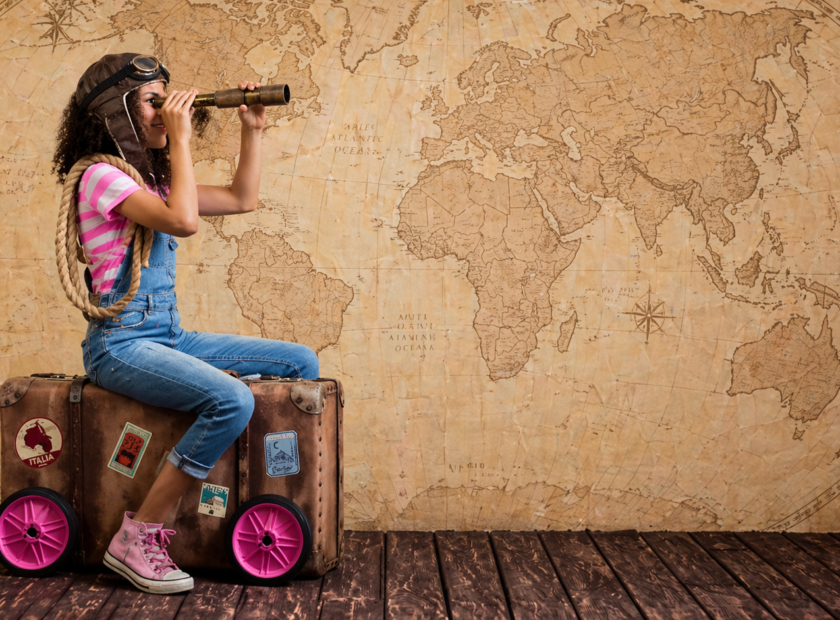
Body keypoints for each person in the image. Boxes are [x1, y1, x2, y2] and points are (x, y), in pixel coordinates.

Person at [52, 53, 319, 595]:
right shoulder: (103, 178)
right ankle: (138, 536)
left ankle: (258, 498)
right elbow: (185, 221)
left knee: (300, 363)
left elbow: (244, 199)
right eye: (152, 101)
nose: (166, 111)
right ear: (117, 111)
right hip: (121, 343)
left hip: (167, 335)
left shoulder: (150, 182)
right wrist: (181, 140)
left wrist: (251, 130)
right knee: (233, 400)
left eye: (166, 100)